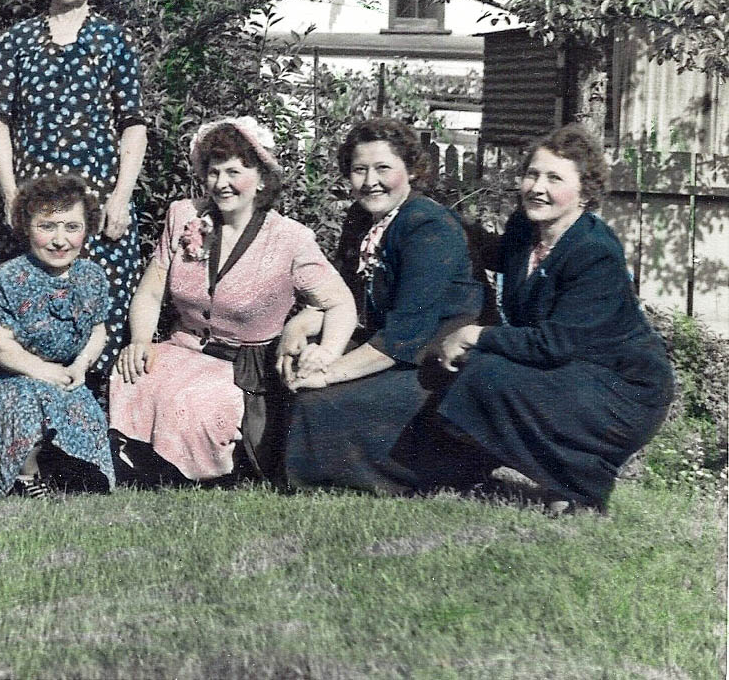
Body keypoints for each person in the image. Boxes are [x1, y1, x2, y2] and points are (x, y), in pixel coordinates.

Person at [432, 124, 674, 513]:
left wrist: (474, 334)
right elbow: (495, 252)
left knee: (485, 374)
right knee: (477, 372)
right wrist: (439, 222)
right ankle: (559, 480)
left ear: (585, 192)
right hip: (572, 374)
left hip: (624, 388)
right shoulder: (526, 229)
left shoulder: (595, 252)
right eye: (532, 174)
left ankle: (581, 486)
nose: (537, 187)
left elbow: (554, 342)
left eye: (554, 178)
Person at [109, 117, 357, 485]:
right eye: (213, 172)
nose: (222, 184)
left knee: (191, 403)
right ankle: (142, 465)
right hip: (183, 348)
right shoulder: (184, 218)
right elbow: (150, 290)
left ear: (261, 179)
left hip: (242, 368)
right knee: (131, 374)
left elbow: (340, 303)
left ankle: (209, 471)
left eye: (234, 172)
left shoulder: (290, 240)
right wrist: (142, 340)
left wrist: (326, 353)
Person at [284, 117, 490, 495]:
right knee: (288, 371)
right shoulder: (361, 219)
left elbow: (405, 335)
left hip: (437, 364)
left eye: (383, 168)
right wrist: (296, 328)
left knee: (320, 399)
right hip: (392, 349)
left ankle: (442, 474)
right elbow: (342, 298)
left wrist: (329, 371)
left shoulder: (429, 227)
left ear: (410, 169)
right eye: (359, 170)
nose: (370, 181)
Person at [0, 0, 146, 387]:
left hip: (96, 203)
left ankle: (98, 439)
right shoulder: (16, 41)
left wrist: (121, 198)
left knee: (101, 321)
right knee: (24, 318)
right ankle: (30, 439)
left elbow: (133, 124)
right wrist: (11, 194)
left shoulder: (113, 41)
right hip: (33, 204)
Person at [0, 173, 116, 497]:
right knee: (25, 401)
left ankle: (64, 469)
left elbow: (98, 330)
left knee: (82, 420)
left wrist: (79, 366)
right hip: (11, 379)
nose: (60, 239)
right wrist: (45, 372)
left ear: (86, 229)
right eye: (47, 226)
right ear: (26, 227)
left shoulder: (92, 276)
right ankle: (24, 478)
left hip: (63, 376)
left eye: (71, 227)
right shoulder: (7, 278)